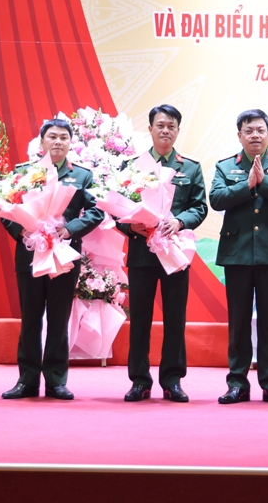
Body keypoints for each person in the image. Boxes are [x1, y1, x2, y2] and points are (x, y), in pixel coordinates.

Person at [0, 118, 104, 401]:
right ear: (42, 141)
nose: (57, 142)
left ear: (70, 143)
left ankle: (56, 380)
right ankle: (27, 380)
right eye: (52, 136)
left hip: (64, 254)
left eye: (63, 137)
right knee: (30, 318)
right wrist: (22, 230)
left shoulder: (82, 175)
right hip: (30, 253)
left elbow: (97, 211)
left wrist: (69, 229)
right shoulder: (24, 173)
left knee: (59, 319)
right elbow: (6, 209)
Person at [211, 109, 268, 405]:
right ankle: (237, 383)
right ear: (239, 135)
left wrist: (264, 183)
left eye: (260, 130)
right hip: (237, 254)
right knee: (238, 323)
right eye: (249, 130)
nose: (255, 135)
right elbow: (216, 200)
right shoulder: (226, 166)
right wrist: (247, 185)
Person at [118, 105, 208, 403]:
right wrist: (133, 226)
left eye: (171, 126)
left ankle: (173, 380)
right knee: (140, 318)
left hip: (175, 252)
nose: (165, 130)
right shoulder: (133, 166)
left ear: (178, 130)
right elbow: (118, 207)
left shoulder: (190, 168)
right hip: (142, 252)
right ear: (150, 129)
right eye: (160, 125)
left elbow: (199, 207)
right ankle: (139, 381)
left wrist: (180, 221)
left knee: (175, 318)